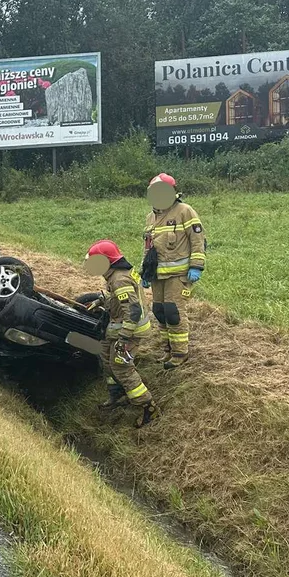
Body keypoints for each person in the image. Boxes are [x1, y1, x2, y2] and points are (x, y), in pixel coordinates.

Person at [84, 240, 159, 427]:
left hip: (128, 332)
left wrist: (124, 337)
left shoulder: (119, 280)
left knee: (121, 368)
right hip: (116, 329)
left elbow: (132, 311)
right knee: (106, 359)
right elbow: (116, 298)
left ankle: (148, 407)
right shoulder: (115, 275)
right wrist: (100, 302)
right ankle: (117, 395)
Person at [141, 173, 207, 369]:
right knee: (160, 312)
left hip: (179, 275)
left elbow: (198, 240)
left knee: (174, 311)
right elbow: (148, 247)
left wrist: (196, 266)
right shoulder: (150, 217)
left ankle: (180, 353)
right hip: (157, 275)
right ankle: (168, 349)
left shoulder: (184, 211)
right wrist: (145, 271)